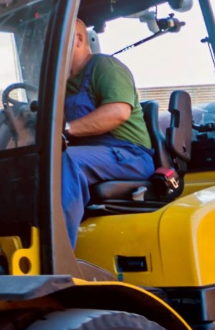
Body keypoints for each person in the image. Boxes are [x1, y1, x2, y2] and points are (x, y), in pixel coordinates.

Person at [61, 19, 155, 243]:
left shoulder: (105, 67)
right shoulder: (60, 84)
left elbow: (118, 112)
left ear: (79, 39)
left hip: (130, 155)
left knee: (63, 161)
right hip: (96, 157)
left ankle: (57, 251)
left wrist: (65, 130)